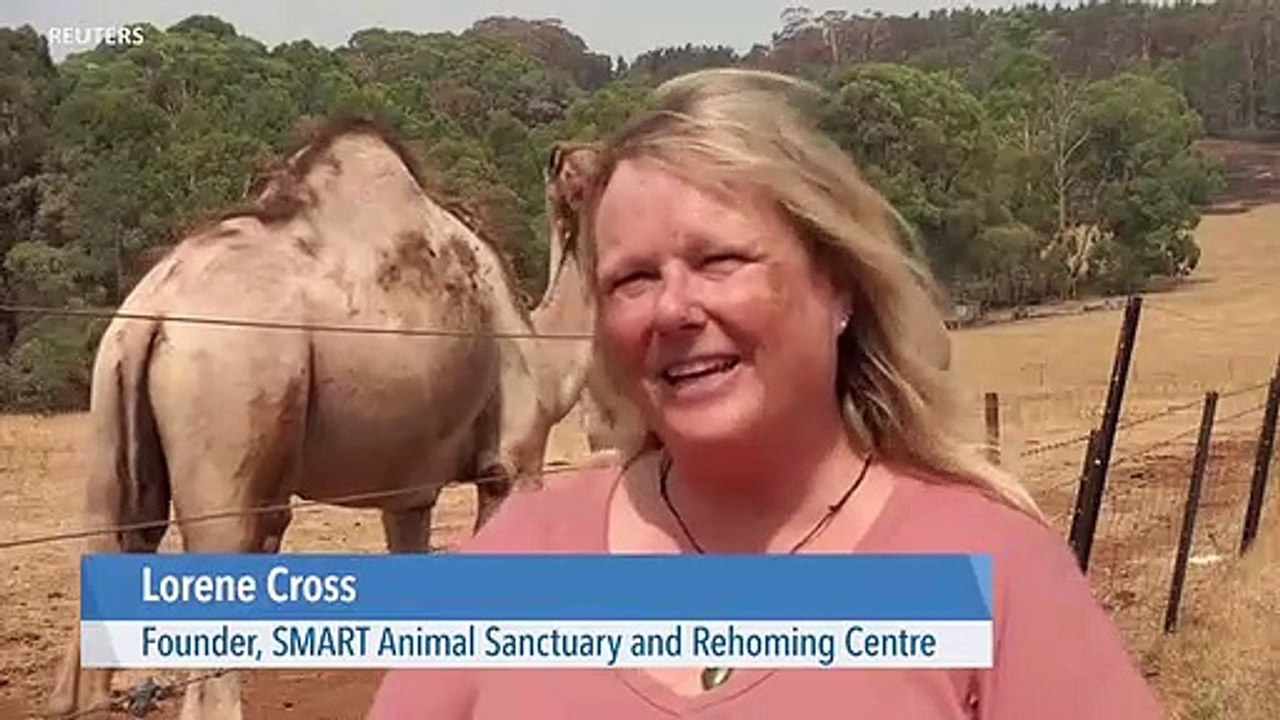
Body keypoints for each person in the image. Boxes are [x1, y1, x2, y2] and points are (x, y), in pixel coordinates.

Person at [368, 68, 1163, 719]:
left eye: (720, 261)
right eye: (633, 279)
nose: (673, 309)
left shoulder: (989, 568)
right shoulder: (516, 557)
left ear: (838, 286)